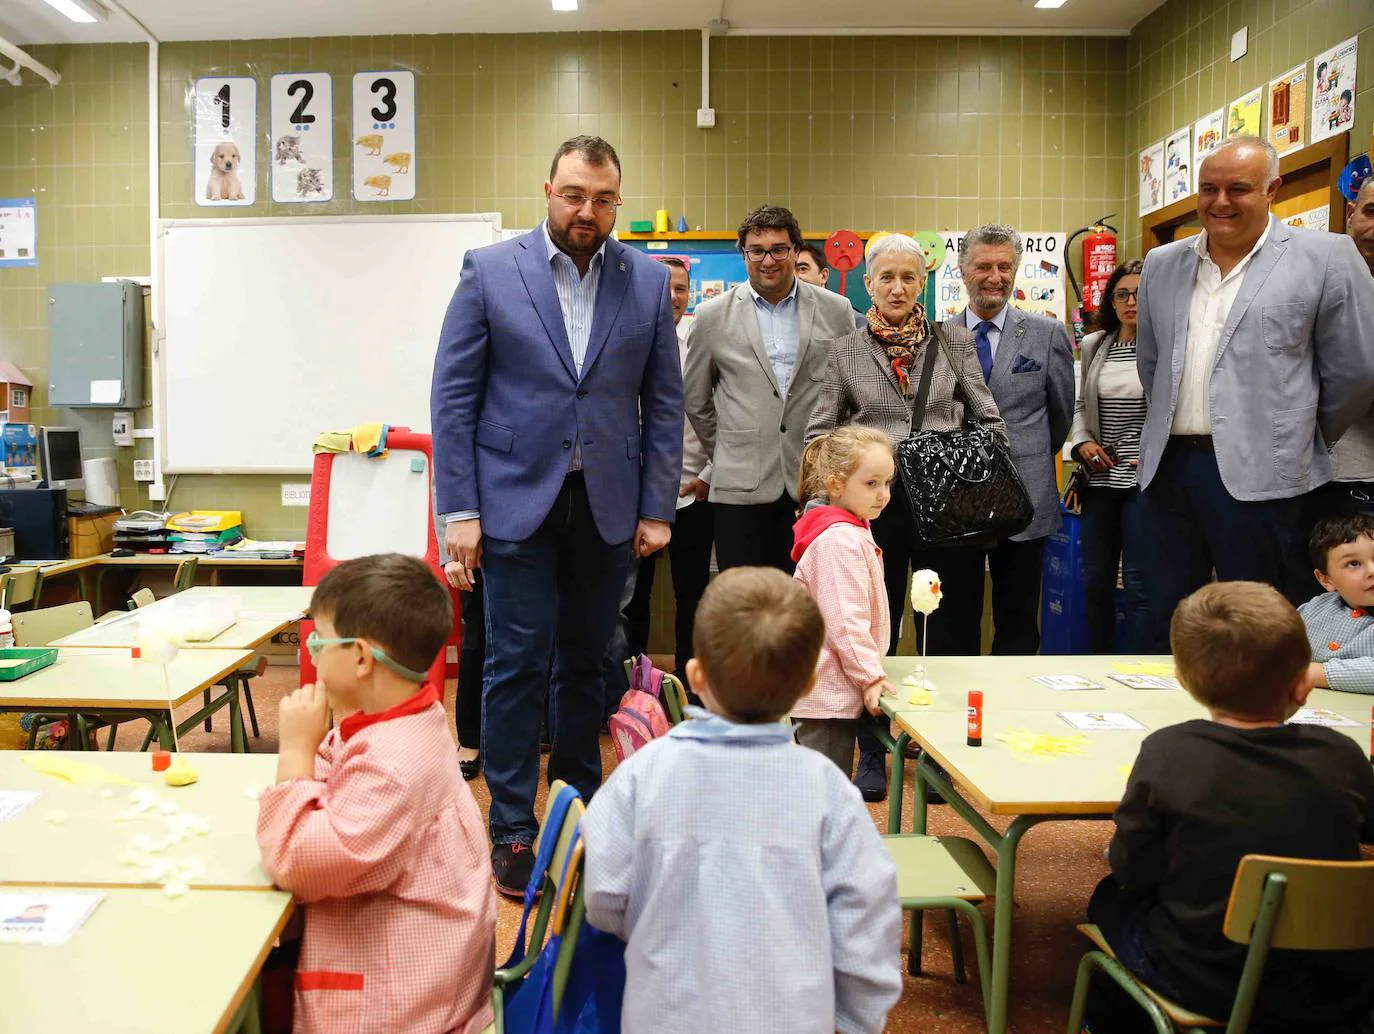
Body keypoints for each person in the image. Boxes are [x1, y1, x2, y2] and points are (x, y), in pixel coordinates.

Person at [431, 135, 683, 895]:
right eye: (574, 194)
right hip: (512, 501)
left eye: (603, 199)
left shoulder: (643, 280)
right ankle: (512, 822)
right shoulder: (490, 270)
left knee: (589, 662)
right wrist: (461, 509)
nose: (588, 210)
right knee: (513, 662)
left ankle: (579, 805)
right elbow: (453, 399)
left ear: (618, 203)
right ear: (548, 190)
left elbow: (662, 402)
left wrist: (658, 506)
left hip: (608, 504)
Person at [580, 566, 902, 1034]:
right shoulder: (830, 792)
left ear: (695, 674)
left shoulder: (642, 776)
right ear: (808, 685)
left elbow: (603, 893)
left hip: (664, 1014)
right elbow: (865, 921)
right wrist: (854, 1019)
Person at [1085, 580, 1374, 1032]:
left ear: (1183, 681)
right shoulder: (1342, 754)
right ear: (1303, 684)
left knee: (1108, 898)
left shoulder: (1169, 752)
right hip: (1335, 979)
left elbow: (1132, 869)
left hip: (1204, 977)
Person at [1135, 135, 1374, 650]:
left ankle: (1263, 725)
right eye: (1208, 189)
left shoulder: (1326, 256)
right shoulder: (1162, 264)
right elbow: (1152, 365)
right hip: (1170, 470)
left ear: (1273, 190)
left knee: (1265, 621)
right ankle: (1177, 720)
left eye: (1238, 189)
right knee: (1170, 617)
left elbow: (1356, 370)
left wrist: (1296, 433)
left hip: (1270, 478)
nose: (1220, 202)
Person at [256, 554, 496, 1034]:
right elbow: (337, 761)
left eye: (320, 640)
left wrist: (296, 750)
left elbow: (297, 863)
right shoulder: (402, 716)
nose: (311, 652)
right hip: (419, 966)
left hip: (399, 1005)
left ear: (362, 658)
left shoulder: (395, 764)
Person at [806, 231, 1006, 800]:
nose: (897, 287)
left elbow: (988, 421)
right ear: (867, 284)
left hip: (948, 509)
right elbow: (822, 433)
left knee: (949, 629)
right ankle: (874, 751)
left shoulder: (955, 342)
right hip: (876, 509)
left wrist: (959, 461)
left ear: (924, 283)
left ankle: (942, 757)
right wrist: (829, 503)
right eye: (886, 277)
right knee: (876, 632)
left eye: (909, 277)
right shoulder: (845, 350)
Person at [683, 205, 857, 573]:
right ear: (743, 254)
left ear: (796, 251)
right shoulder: (712, 316)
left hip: (814, 488)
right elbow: (695, 399)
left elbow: (849, 391)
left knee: (806, 608)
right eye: (757, 250)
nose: (768, 260)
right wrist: (729, 446)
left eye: (779, 249)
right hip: (739, 490)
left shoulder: (837, 310)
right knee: (746, 611)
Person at [955, 223, 1075, 655]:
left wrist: (1028, 454)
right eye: (984, 266)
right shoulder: (940, 337)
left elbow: (1059, 418)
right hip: (957, 502)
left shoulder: (1047, 335)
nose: (995, 276)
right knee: (957, 616)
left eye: (1005, 266)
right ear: (962, 270)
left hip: (1027, 496)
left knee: (1020, 619)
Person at [790, 426, 899, 774]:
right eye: (871, 484)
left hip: (833, 687)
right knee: (822, 798)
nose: (882, 495)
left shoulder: (853, 528)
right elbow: (846, 622)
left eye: (887, 483)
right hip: (825, 694)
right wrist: (870, 677)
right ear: (836, 485)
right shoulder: (841, 542)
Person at [1069, 259, 1149, 653]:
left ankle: (1140, 667)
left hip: (1143, 480)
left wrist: (1151, 455)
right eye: (1122, 294)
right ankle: (1097, 660)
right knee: (1095, 580)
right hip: (1099, 477)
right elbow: (1081, 404)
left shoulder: (1164, 344)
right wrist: (1081, 443)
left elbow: (1173, 407)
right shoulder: (1094, 344)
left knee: (1137, 581)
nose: (1131, 301)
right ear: (1112, 300)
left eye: (1139, 292)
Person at [1307, 176, 1374, 526]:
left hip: (1364, 472)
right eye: (1371, 212)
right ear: (1351, 212)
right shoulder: (1308, 277)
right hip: (1303, 474)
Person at [1301, 514, 1374, 695]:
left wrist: (1314, 673)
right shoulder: (1315, 609)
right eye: (1354, 563)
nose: (1372, 571)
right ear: (1326, 580)